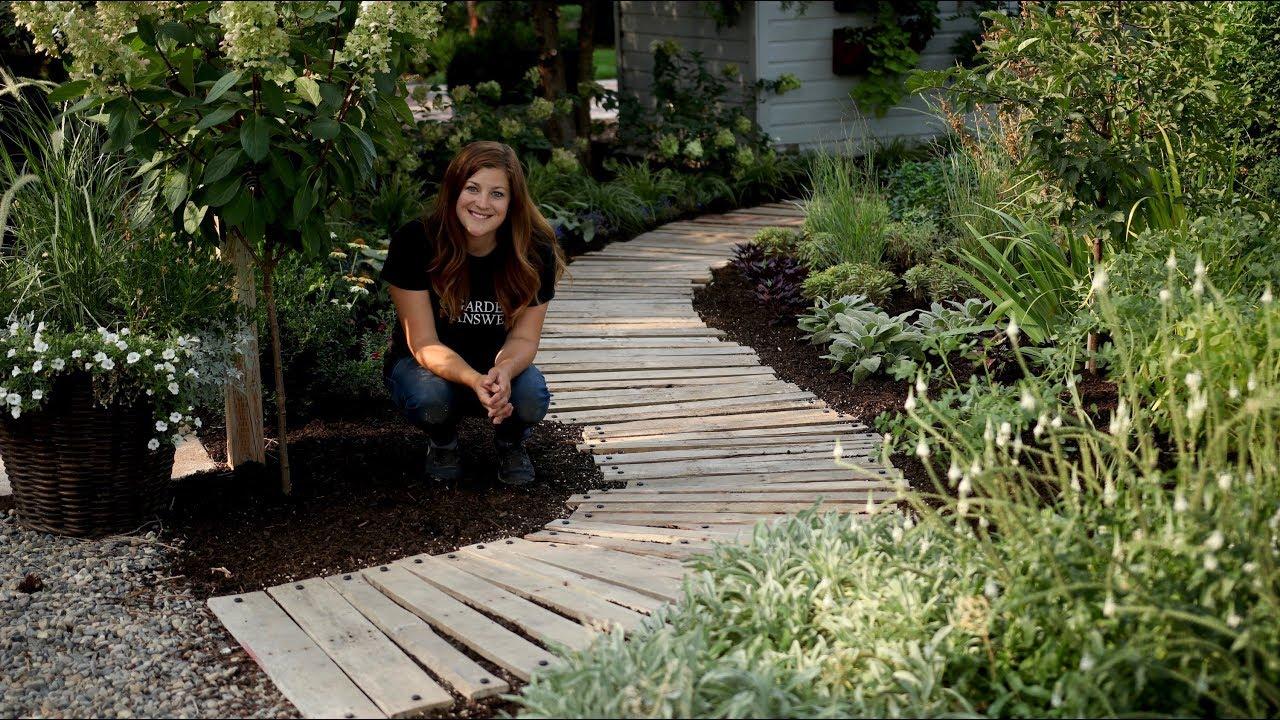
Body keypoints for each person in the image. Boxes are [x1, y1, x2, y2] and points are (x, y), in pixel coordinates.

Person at [381, 141, 564, 485]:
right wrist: (472, 378)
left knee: (531, 396)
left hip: (494, 365)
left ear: (512, 203)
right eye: (472, 189)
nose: (482, 203)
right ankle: (442, 442)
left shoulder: (533, 250)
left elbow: (524, 337)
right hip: (425, 368)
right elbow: (422, 342)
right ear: (453, 190)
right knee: (430, 398)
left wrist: (504, 371)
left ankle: (511, 443)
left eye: (497, 194)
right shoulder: (416, 241)